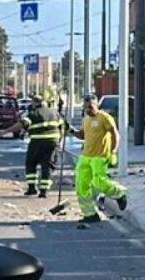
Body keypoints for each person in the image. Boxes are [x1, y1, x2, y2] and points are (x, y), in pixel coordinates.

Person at [74, 94, 121, 224]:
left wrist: (114, 151)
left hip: (100, 156)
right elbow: (82, 135)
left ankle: (119, 194)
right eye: (86, 108)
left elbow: (115, 134)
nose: (88, 110)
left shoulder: (105, 118)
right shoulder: (86, 119)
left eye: (90, 107)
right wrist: (71, 130)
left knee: (98, 181)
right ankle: (90, 214)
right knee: (81, 186)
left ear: (96, 105)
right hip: (85, 156)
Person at [24, 98, 67, 197]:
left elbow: (23, 123)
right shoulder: (55, 112)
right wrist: (59, 139)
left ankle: (31, 188)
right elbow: (63, 126)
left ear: (35, 103)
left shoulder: (34, 113)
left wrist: (5, 131)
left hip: (36, 143)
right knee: (47, 166)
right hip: (52, 143)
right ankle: (43, 191)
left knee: (31, 164)